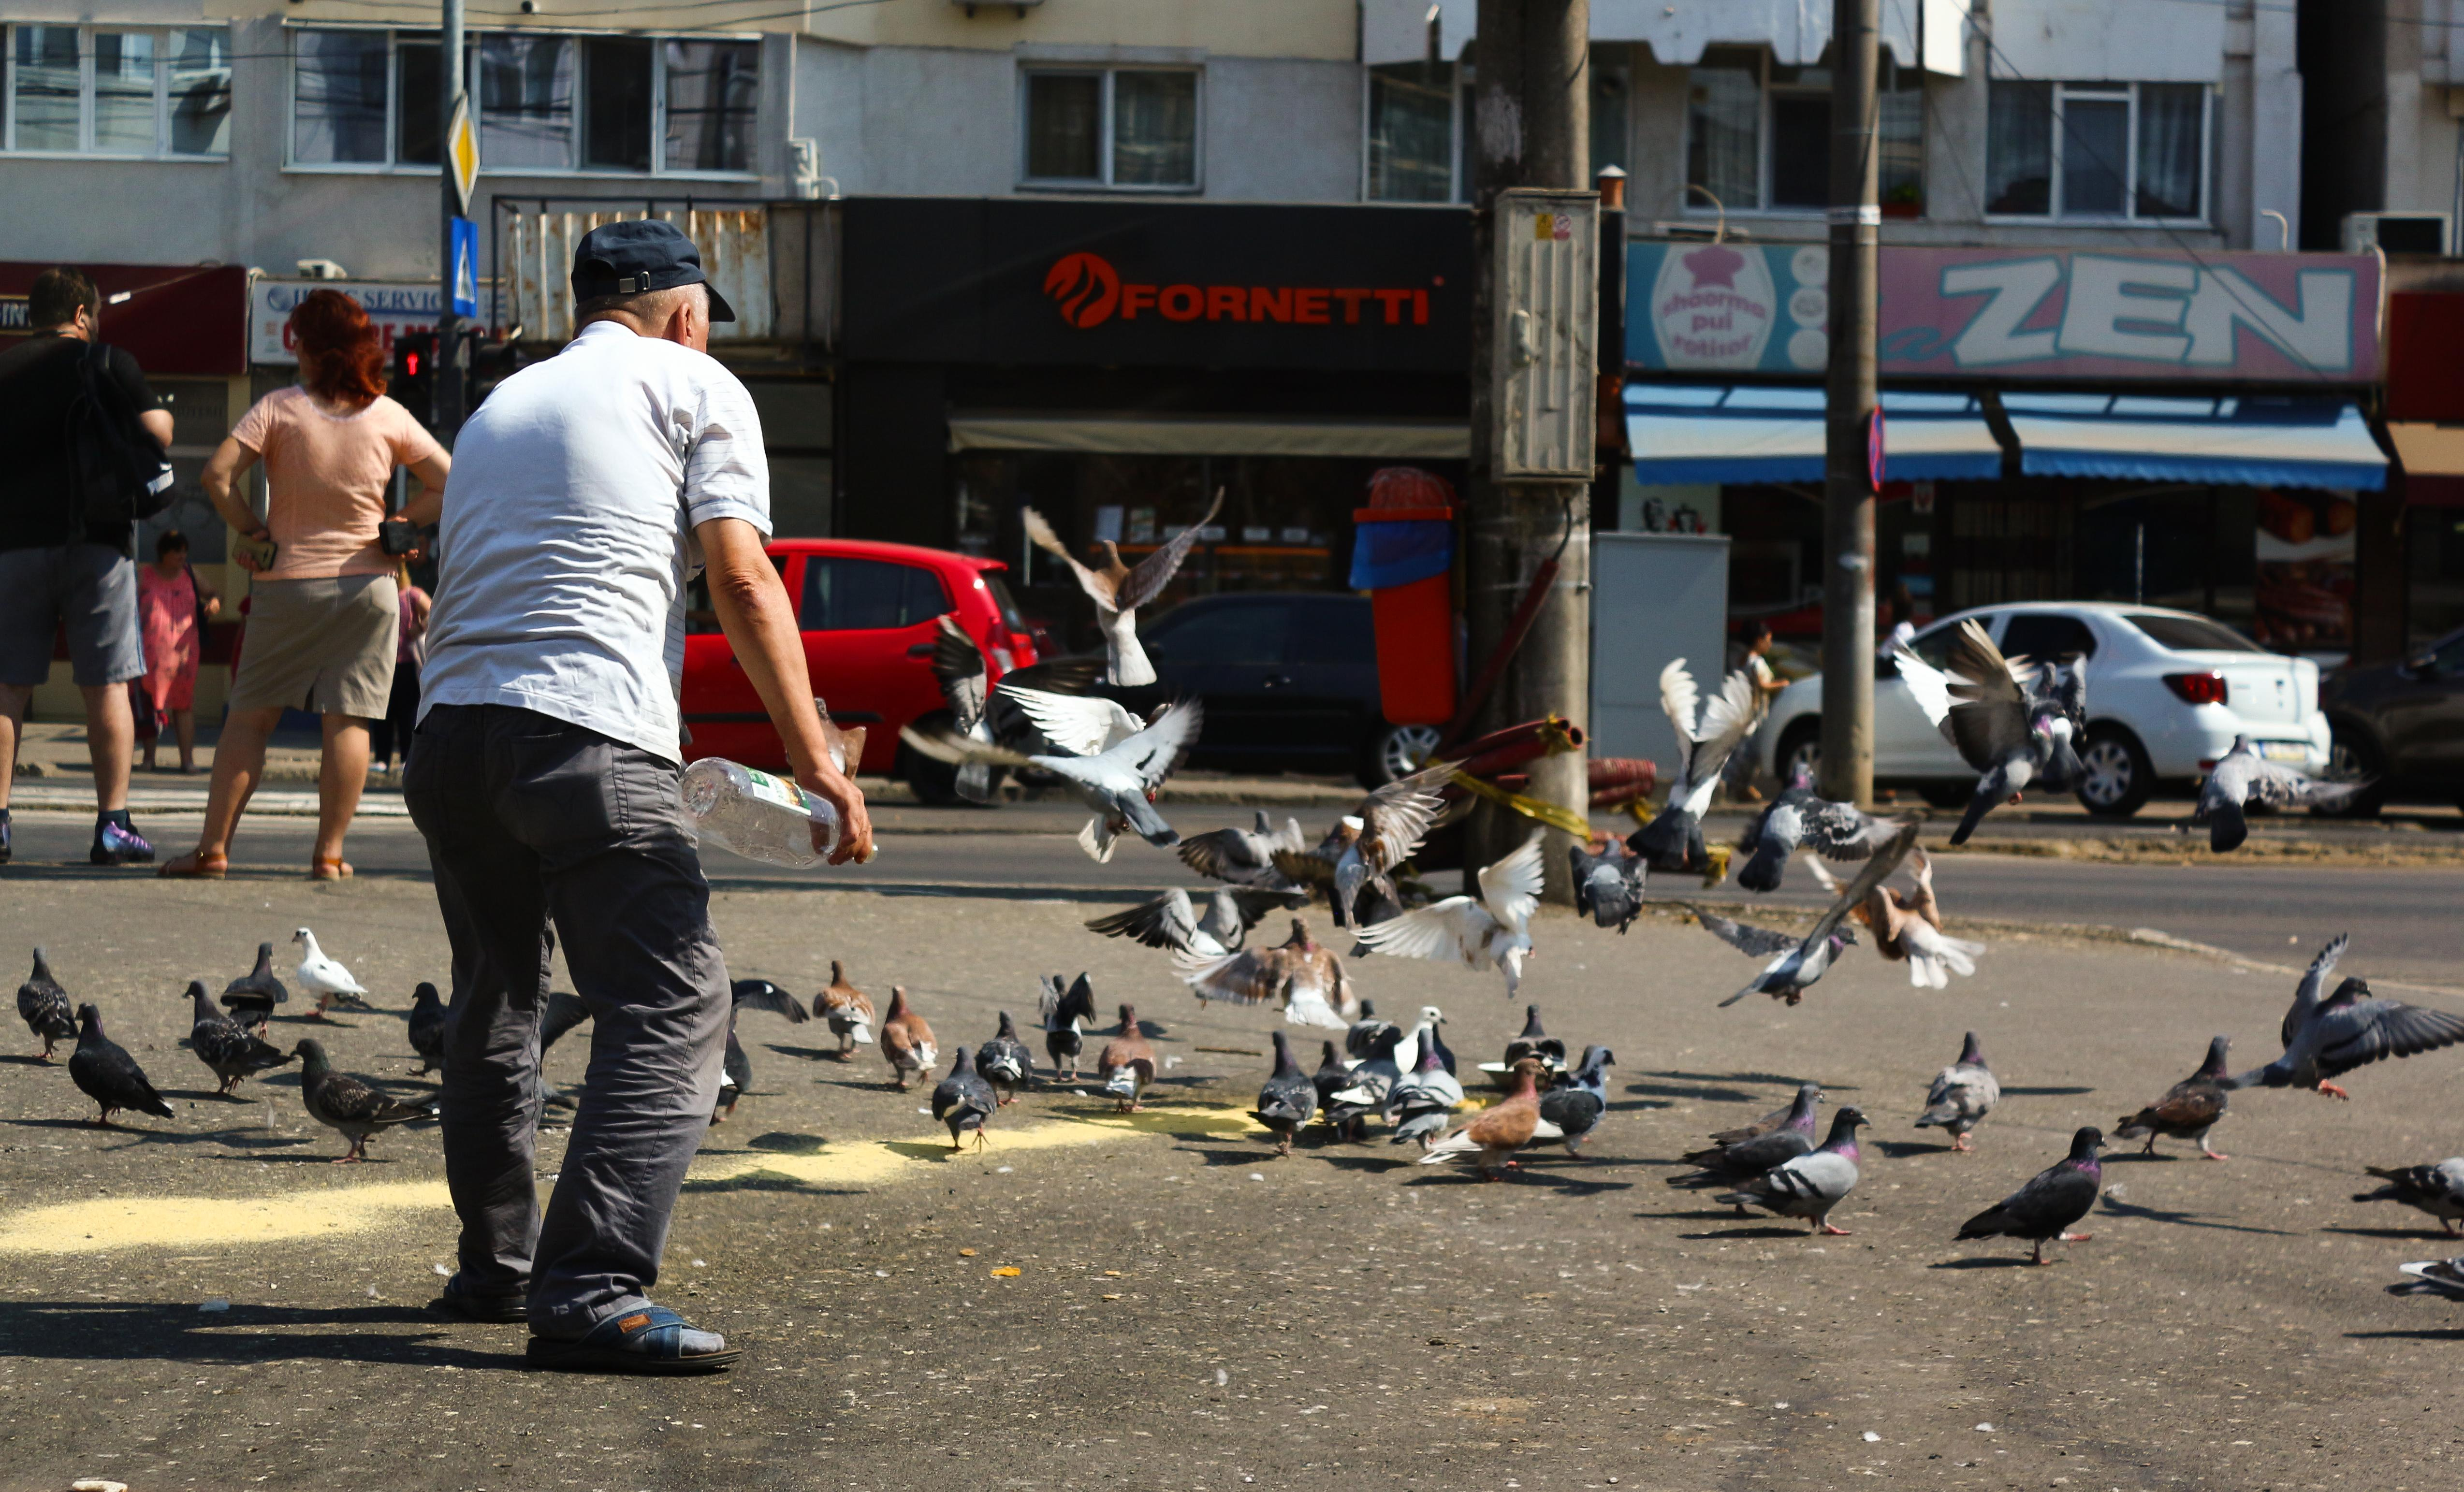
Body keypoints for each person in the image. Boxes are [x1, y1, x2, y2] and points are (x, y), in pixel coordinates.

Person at [407, 220, 871, 1374]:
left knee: (497, 998)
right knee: (671, 1005)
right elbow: (743, 575)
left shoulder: (502, 406)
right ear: (681, 308)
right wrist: (816, 756)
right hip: (586, 732)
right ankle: (591, 1291)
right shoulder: (694, 383)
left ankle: (498, 1270)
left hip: (451, 736)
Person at [160, 290, 448, 880]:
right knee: (348, 721)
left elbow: (217, 476)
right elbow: (449, 479)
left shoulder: (277, 410)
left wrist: (252, 528)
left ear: (310, 348)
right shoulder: (388, 416)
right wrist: (400, 523)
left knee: (249, 720)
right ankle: (330, 856)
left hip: (285, 583)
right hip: (369, 588)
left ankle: (213, 850)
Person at [0, 266, 174, 867]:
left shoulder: (4, 369)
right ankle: (112, 826)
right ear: (81, 315)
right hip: (98, 544)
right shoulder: (106, 362)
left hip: (13, 547)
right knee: (105, 685)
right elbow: (158, 434)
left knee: (7, 688)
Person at [136, 529, 219, 773]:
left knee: (183, 705)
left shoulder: (190, 574)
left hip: (185, 653)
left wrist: (214, 603)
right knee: (152, 704)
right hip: (152, 653)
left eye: (184, 551)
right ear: (164, 552)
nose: (182, 556)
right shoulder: (146, 576)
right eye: (176, 551)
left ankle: (187, 760)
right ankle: (148, 759)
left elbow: (215, 593)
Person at [368, 577, 430, 776]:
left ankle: (407, 757)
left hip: (406, 662)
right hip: (381, 661)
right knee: (382, 713)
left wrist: (420, 627)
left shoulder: (411, 594)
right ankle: (382, 758)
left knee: (408, 713)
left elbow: (434, 611)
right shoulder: (377, 593)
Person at [1725, 619, 1789, 802]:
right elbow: (1762, 685)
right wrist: (1783, 684)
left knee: (1742, 753)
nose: (1770, 644)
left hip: (1745, 712)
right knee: (1750, 753)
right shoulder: (1755, 662)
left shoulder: (1742, 659)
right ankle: (1738, 787)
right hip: (1754, 715)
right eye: (1768, 640)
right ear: (1758, 641)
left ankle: (1740, 788)